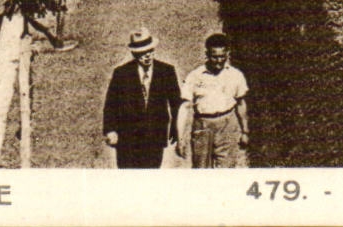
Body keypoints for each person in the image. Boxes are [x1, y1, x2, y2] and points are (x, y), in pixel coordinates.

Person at [103, 29, 183, 169]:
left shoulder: (166, 71)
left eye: (150, 51)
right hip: (127, 138)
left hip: (155, 136)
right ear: (134, 53)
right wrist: (110, 130)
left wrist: (177, 128)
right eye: (142, 53)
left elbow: (176, 103)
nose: (147, 56)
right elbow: (111, 104)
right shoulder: (122, 73)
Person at [179, 33, 249, 168]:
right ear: (207, 54)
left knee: (226, 169)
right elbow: (185, 107)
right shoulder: (195, 76)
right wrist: (180, 138)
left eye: (222, 57)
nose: (218, 61)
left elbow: (240, 103)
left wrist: (245, 131)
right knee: (201, 170)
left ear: (227, 54)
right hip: (203, 126)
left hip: (227, 125)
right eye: (214, 57)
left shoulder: (235, 75)